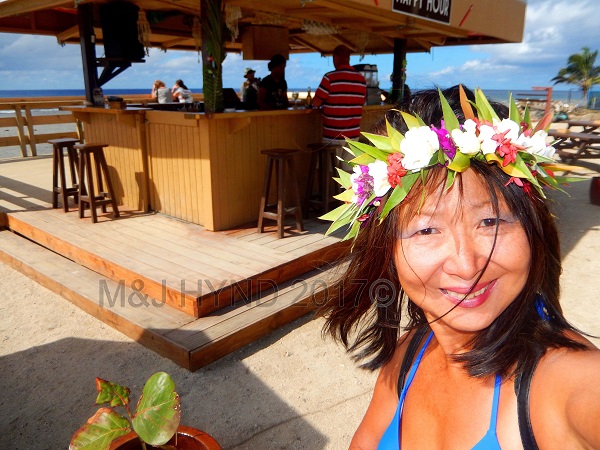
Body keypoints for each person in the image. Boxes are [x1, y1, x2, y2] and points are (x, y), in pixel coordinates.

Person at [320, 85, 600, 449]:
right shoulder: (410, 354)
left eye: (491, 221)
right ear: (385, 251)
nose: (467, 266)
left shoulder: (567, 381)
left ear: (535, 229)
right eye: (427, 229)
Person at [312, 45, 367, 145]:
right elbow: (361, 103)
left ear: (335, 57)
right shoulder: (361, 80)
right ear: (349, 58)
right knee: (349, 162)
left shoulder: (329, 78)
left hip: (333, 135)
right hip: (353, 135)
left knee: (331, 161)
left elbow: (316, 103)